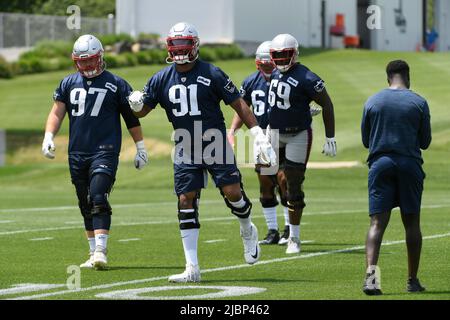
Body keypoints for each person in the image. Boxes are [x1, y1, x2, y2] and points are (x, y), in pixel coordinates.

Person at [128, 22, 275, 283]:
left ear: (195, 46)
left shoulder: (212, 73)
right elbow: (143, 111)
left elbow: (239, 103)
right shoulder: (161, 78)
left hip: (214, 142)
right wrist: (136, 104)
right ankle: (192, 267)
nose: (180, 52)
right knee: (186, 200)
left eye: (184, 46)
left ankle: (247, 228)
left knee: (233, 194)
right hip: (185, 144)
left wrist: (258, 136)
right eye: (175, 47)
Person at [41, 34, 148, 270]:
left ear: (100, 57)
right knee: (84, 201)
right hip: (77, 152)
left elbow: (131, 119)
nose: (87, 65)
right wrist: (49, 136)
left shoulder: (117, 83)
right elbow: (57, 112)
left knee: (98, 195)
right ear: (75, 61)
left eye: (91, 60)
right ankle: (92, 252)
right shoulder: (68, 83)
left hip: (105, 150)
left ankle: (101, 250)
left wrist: (140, 147)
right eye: (83, 60)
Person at [227, 40, 321, 246]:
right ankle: (272, 230)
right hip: (261, 136)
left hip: (284, 134)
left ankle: (289, 228)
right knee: (265, 182)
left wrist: (302, 111)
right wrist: (232, 130)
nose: (269, 68)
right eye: (264, 65)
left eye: (271, 63)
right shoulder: (251, 81)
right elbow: (243, 109)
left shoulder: (285, 77)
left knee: (284, 180)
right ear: (257, 64)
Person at [361, 60, 431, 295]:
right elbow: (425, 142)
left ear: (388, 78)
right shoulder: (419, 102)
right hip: (409, 165)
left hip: (380, 165)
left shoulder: (372, 101)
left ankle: (371, 280)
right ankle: (412, 281)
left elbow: (366, 141)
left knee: (377, 224)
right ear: (407, 77)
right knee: (411, 224)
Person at [267, 33, 336, 254]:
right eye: (276, 55)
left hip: (297, 134)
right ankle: (286, 227)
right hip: (275, 132)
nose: (280, 60)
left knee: (293, 183)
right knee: (274, 179)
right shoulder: (275, 74)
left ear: (294, 54)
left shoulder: (308, 77)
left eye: (284, 55)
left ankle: (294, 237)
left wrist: (330, 136)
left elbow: (327, 103)